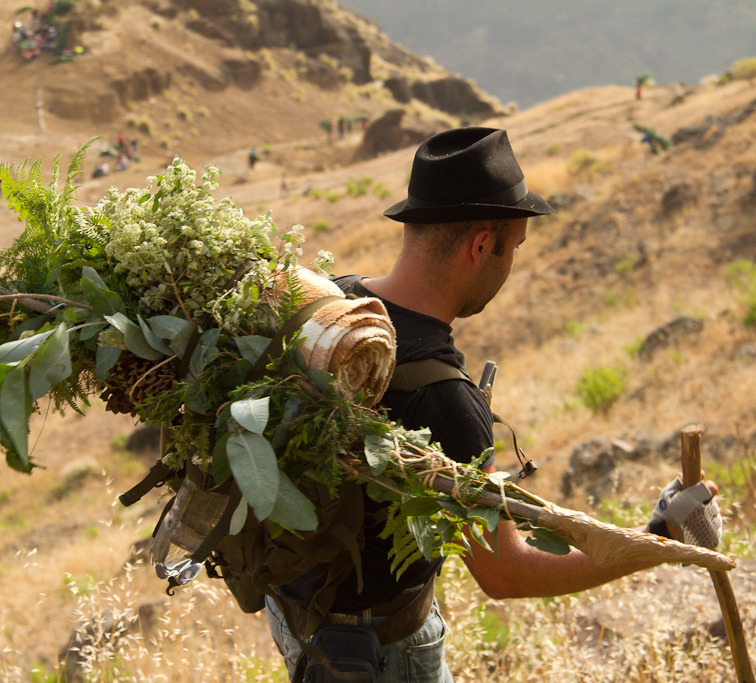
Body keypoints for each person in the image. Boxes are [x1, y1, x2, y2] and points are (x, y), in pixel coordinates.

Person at [266, 127, 722, 681]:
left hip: (297, 619)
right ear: (481, 246)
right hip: (381, 653)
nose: (511, 267)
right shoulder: (445, 402)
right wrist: (659, 540)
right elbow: (506, 574)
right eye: (515, 248)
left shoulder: (331, 309)